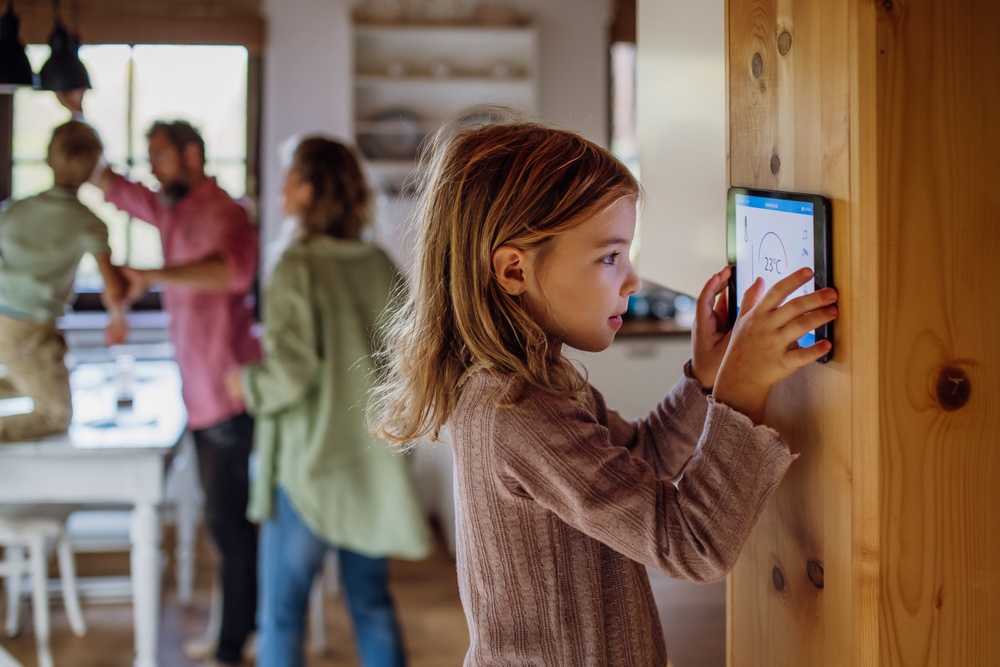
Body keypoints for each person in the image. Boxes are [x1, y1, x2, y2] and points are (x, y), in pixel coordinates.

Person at [369, 114, 839, 665]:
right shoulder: (515, 412)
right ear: (513, 271)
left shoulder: (535, 385)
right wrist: (741, 391)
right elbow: (693, 547)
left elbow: (638, 460)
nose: (633, 281)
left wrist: (705, 382)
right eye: (610, 257)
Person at [57, 92, 261, 667]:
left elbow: (233, 271)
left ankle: (234, 645)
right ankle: (237, 635)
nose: (153, 168)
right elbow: (104, 178)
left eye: (162, 156)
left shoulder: (226, 211)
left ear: (193, 154)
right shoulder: (168, 207)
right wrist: (75, 115)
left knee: (229, 529)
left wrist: (149, 272)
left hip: (228, 392)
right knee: (220, 528)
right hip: (195, 394)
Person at [225, 136, 432, 667]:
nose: (281, 190)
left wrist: (246, 385)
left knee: (282, 613)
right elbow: (410, 361)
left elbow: (291, 375)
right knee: (370, 603)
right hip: (371, 465)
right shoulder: (379, 264)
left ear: (311, 190)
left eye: (290, 179)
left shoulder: (298, 266)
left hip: (311, 470)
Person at [0, 120, 127, 443]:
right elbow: (113, 288)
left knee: (28, 378)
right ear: (93, 171)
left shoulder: (14, 211)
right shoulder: (89, 223)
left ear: (48, 159)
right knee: (56, 413)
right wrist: (117, 319)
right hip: (32, 327)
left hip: (6, 320)